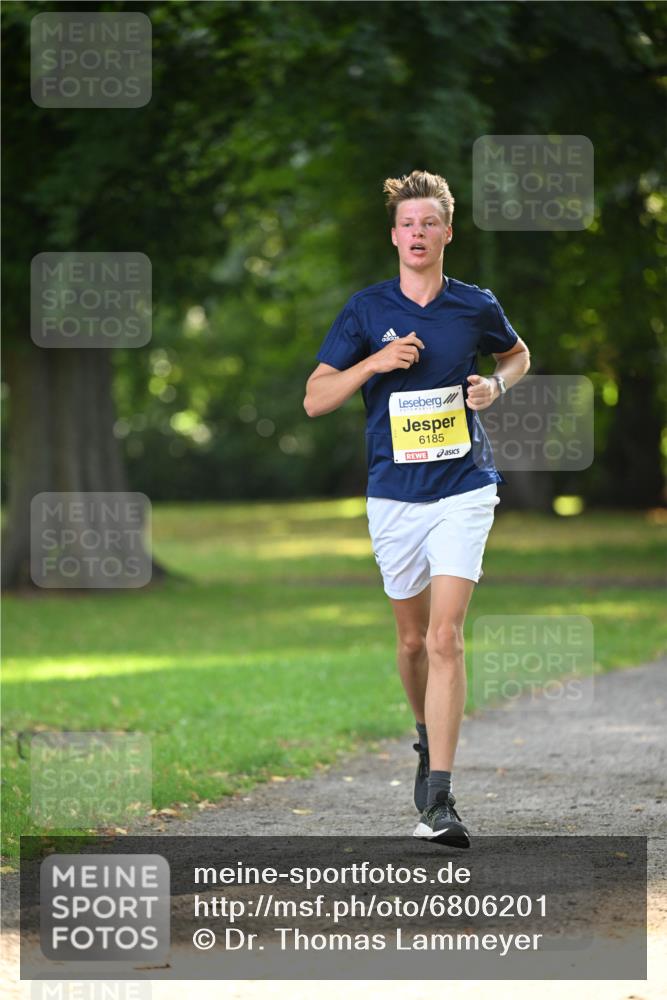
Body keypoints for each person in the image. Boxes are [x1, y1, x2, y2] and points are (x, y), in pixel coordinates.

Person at [303, 170, 530, 847]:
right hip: (393, 497)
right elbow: (316, 399)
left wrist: (494, 385)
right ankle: (425, 737)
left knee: (444, 636)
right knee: (410, 641)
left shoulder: (473, 305)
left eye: (428, 222)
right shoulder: (366, 310)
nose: (417, 233)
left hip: (464, 487)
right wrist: (374, 364)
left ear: (447, 232)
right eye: (406, 224)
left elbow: (516, 356)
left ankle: (439, 798)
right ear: (393, 236)